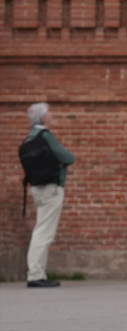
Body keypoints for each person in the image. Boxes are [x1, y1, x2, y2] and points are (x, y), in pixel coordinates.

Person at [21, 103, 75, 289]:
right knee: (43, 232)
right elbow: (67, 157)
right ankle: (35, 274)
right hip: (50, 188)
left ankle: (38, 273)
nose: (51, 114)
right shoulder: (45, 136)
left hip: (38, 188)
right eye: (49, 112)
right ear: (43, 118)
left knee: (41, 230)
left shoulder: (30, 137)